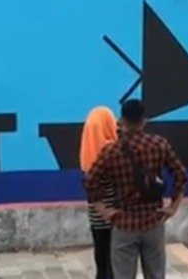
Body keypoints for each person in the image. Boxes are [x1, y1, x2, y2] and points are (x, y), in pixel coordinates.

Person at [85, 99, 188, 279]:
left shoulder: (111, 151)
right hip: (153, 220)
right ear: (144, 120)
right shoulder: (159, 144)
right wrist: (173, 207)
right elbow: (181, 175)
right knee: (156, 274)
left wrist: (104, 211)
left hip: (124, 222)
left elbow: (90, 181)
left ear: (121, 121)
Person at [80, 106, 119, 279]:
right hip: (115, 213)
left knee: (101, 253)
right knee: (115, 257)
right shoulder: (113, 150)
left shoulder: (87, 149)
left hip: (96, 213)